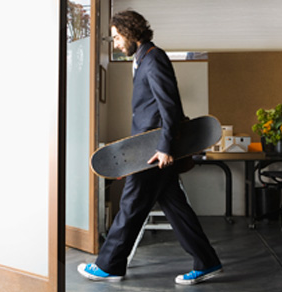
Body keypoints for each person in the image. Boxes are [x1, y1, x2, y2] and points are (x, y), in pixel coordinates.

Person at [77, 10, 223, 286]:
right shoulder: (143, 59)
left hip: (155, 152)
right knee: (176, 207)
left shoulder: (154, 58)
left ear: (131, 33)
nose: (117, 43)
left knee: (131, 205)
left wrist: (166, 147)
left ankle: (109, 265)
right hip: (149, 149)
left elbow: (169, 106)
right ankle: (207, 261)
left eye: (118, 37)